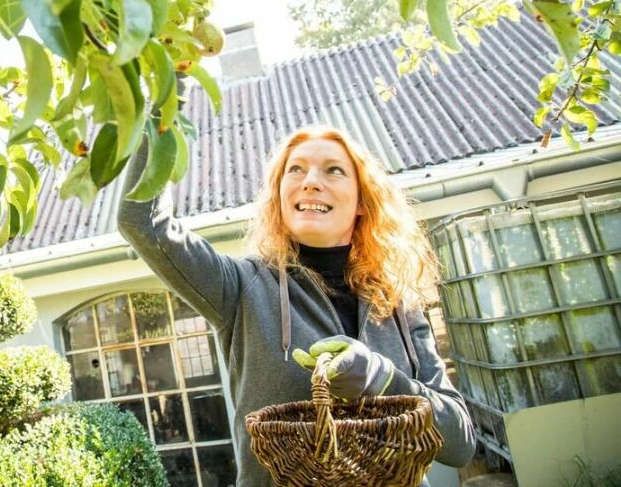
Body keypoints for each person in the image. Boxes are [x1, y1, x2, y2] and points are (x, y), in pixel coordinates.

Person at [117, 124, 476, 486]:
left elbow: (460, 444)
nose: (310, 181)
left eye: (333, 170)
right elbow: (142, 222)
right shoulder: (241, 287)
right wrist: (168, 95)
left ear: (363, 202)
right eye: (296, 169)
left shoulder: (397, 302)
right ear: (279, 196)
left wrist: (382, 379)